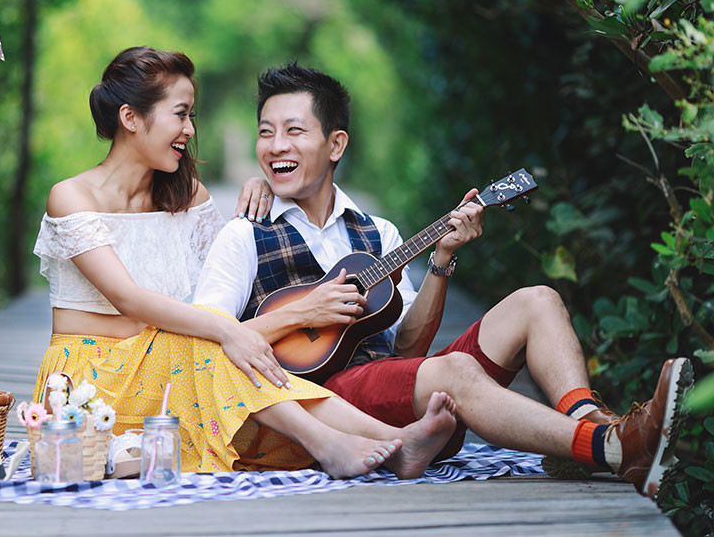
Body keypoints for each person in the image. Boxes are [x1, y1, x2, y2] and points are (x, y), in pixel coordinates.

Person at [193, 62, 692, 499]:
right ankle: (612, 446)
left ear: (336, 143)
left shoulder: (376, 232)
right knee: (451, 372)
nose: (276, 146)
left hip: (401, 394)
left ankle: (587, 426)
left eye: (294, 131)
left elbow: (408, 345)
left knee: (538, 300)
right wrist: (307, 312)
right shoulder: (244, 233)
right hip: (328, 403)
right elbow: (205, 341)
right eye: (266, 131)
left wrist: (441, 261)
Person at [32, 46, 460, 479]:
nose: (188, 129)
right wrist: (227, 330)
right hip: (90, 379)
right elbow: (128, 299)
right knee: (214, 336)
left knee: (218, 344)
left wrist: (268, 186)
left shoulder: (189, 197)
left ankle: (390, 441)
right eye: (180, 114)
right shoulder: (72, 196)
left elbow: (221, 280)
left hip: (168, 372)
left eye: (191, 116)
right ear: (131, 118)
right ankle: (352, 444)